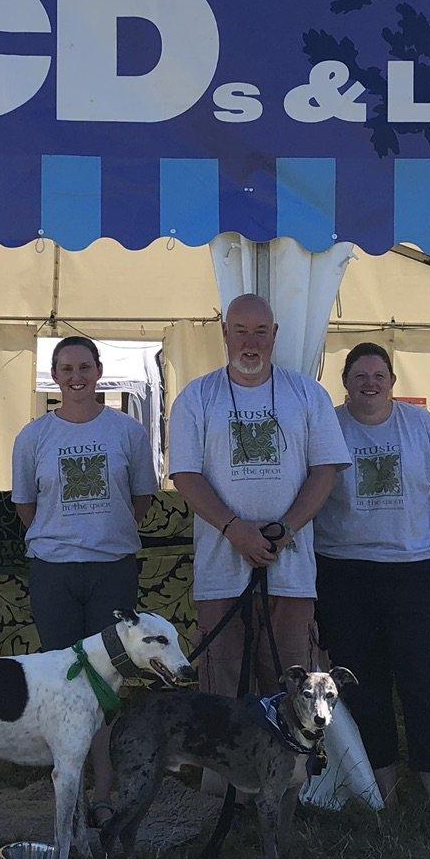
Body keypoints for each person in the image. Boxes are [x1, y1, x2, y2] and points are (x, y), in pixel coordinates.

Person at [168, 293, 350, 700]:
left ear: (275, 335)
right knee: (223, 693)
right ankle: (223, 768)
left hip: (292, 574)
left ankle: (293, 766)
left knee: (292, 691)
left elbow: (326, 470)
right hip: (220, 575)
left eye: (260, 332)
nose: (250, 342)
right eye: (241, 332)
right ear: (225, 333)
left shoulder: (307, 394)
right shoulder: (196, 398)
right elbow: (184, 474)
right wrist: (234, 530)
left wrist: (286, 529)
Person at [12, 333, 158, 822]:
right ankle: (66, 789)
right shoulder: (33, 437)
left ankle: (102, 788)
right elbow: (26, 505)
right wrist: (62, 539)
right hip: (54, 570)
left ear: (99, 372)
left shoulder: (129, 433)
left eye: (84, 367)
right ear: (54, 377)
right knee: (62, 681)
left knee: (105, 683)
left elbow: (141, 498)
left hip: (112, 568)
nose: (76, 378)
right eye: (66, 369)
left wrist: (103, 535)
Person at [312, 343, 430, 807]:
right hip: (345, 574)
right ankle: (383, 787)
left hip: (418, 572)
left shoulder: (422, 426)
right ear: (345, 382)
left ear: (393, 382)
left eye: (379, 375)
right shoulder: (328, 427)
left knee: (425, 682)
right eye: (360, 376)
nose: (370, 383)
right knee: (365, 684)